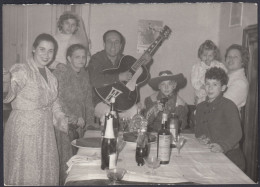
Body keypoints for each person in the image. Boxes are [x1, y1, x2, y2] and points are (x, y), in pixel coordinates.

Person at [3, 33, 75, 185]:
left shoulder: (52, 76)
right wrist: (5, 82)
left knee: (44, 170)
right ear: (34, 49)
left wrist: (62, 117)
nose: (46, 55)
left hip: (45, 131)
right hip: (23, 129)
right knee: (27, 171)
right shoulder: (21, 70)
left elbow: (54, 102)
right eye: (42, 49)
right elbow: (9, 91)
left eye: (50, 51)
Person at [52, 44, 94, 185]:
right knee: (65, 160)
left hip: (80, 126)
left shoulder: (84, 74)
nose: (81, 60)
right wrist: (74, 119)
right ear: (69, 58)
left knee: (79, 160)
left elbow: (88, 101)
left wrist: (89, 124)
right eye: (77, 57)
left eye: (84, 57)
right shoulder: (60, 73)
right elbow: (57, 100)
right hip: (64, 125)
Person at [88, 30, 152, 120]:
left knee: (136, 113)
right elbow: (94, 80)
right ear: (104, 44)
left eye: (116, 42)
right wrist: (119, 76)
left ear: (121, 46)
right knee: (110, 114)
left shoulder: (125, 60)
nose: (113, 45)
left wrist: (145, 65)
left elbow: (135, 82)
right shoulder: (96, 59)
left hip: (121, 103)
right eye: (109, 41)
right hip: (101, 101)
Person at [195, 67, 245, 171]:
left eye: (214, 84)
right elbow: (198, 130)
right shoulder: (200, 107)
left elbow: (237, 133)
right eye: (207, 84)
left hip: (231, 157)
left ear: (223, 87)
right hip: (210, 154)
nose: (210, 88)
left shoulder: (229, 105)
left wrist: (222, 146)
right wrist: (201, 138)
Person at [191, 40, 227, 105]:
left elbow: (225, 76)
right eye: (204, 55)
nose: (207, 58)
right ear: (200, 55)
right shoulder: (197, 67)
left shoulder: (218, 65)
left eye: (210, 56)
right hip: (201, 93)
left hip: (215, 91)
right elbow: (194, 81)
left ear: (214, 55)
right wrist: (203, 87)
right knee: (201, 107)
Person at [223, 44, 249, 113]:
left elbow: (222, 105)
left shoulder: (240, 83)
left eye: (235, 57)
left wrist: (203, 100)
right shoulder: (223, 76)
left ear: (242, 61)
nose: (231, 59)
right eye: (229, 56)